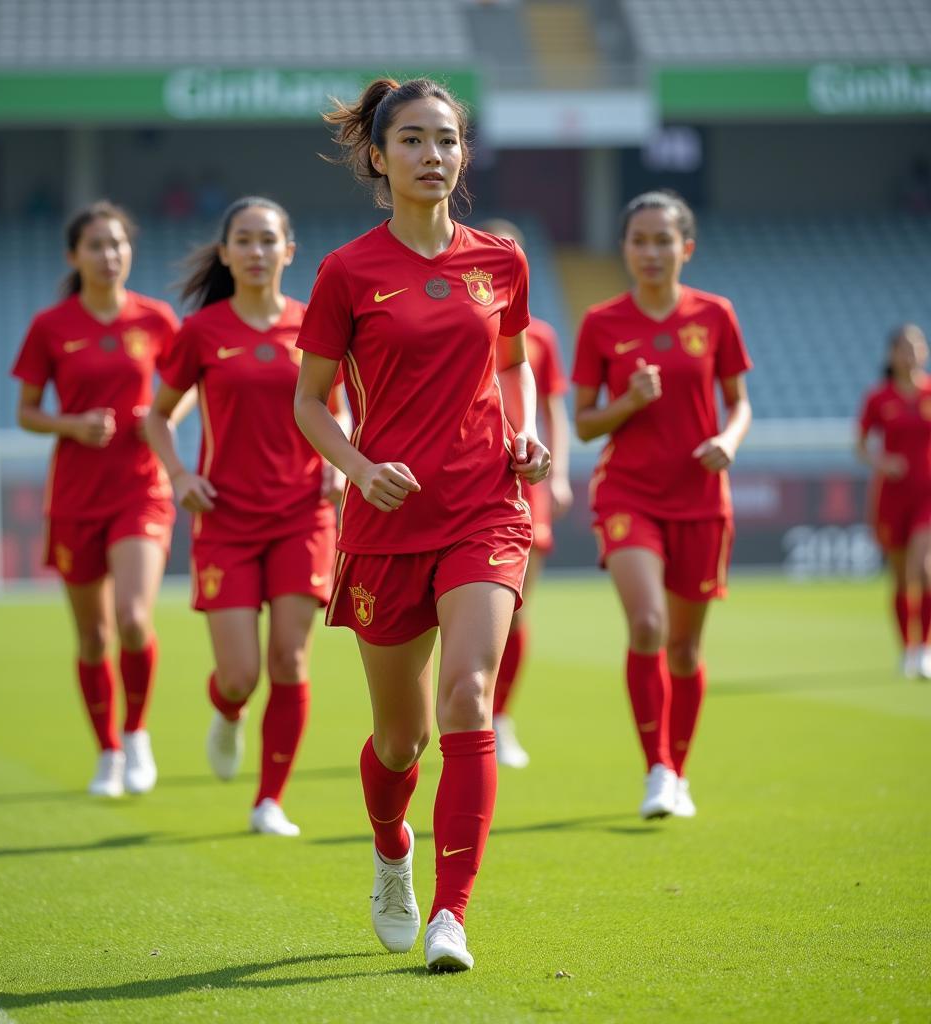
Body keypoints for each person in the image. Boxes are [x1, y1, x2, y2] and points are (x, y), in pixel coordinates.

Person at [293, 77, 550, 971]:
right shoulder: (346, 272)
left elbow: (514, 364)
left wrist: (528, 433)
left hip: (486, 507)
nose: (432, 156)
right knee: (400, 740)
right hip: (384, 525)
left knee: (468, 695)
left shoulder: (502, 262)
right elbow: (309, 403)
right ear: (378, 155)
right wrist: (359, 466)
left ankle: (453, 915)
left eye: (446, 140)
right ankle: (392, 846)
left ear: (463, 154)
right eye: (412, 140)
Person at [145, 196, 345, 836]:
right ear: (225, 252)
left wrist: (340, 465)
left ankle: (269, 801)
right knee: (239, 675)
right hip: (226, 520)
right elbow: (157, 414)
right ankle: (227, 712)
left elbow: (339, 408)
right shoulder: (201, 332)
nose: (256, 252)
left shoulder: (314, 325)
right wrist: (179, 475)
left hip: (303, 514)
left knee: (289, 661)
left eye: (268, 240)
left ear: (290, 250)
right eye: (244, 241)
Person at [572, 190, 752, 821]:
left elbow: (740, 403)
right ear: (624, 248)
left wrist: (727, 441)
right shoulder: (601, 323)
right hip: (628, 493)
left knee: (684, 648)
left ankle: (680, 770)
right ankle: (656, 769)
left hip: (701, 499)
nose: (650, 251)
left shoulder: (716, 315)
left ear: (686, 247)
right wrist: (629, 402)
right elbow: (585, 424)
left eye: (662, 240)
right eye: (638, 240)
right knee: (647, 625)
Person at [11, 200, 181, 798]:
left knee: (134, 619)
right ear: (73, 255)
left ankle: (136, 735)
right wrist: (73, 425)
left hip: (141, 489)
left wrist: (159, 417)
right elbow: (27, 413)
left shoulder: (155, 318)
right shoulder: (51, 326)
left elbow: (186, 386)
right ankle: (106, 750)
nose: (109, 256)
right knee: (93, 637)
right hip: (76, 498)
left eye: (118, 244)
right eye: (96, 246)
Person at [477, 218, 573, 768]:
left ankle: (500, 715)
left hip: (523, 480)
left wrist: (557, 475)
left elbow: (553, 405)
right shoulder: (453, 315)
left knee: (512, 610)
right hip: (464, 477)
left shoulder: (538, 337)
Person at [856, 324, 931, 679]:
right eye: (904, 347)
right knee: (902, 578)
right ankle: (907, 649)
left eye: (917, 346)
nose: (911, 353)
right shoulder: (878, 398)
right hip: (892, 498)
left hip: (927, 495)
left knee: (925, 567)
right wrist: (884, 462)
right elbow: (860, 446)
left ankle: (926, 648)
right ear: (891, 355)